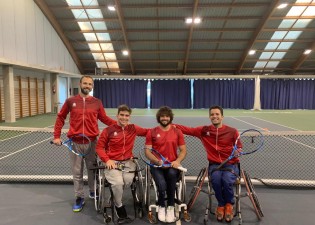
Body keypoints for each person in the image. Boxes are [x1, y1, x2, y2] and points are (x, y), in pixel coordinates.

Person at [52, 75, 116, 212]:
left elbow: (104, 118)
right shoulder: (70, 101)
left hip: (92, 142)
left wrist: (119, 125)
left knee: (92, 169)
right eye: (85, 83)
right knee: (77, 172)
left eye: (90, 84)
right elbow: (60, 117)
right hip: (75, 143)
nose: (87, 86)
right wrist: (56, 136)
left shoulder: (97, 102)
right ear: (80, 84)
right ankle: (79, 196)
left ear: (92, 86)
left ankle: (93, 191)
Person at [174, 105, 241, 222]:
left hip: (231, 164)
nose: (214, 116)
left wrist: (238, 151)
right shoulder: (204, 130)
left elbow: (239, 147)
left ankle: (229, 205)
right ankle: (221, 205)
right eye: (212, 114)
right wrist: (171, 125)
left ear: (222, 117)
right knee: (215, 180)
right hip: (215, 165)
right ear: (209, 117)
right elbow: (187, 129)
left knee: (226, 180)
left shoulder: (232, 131)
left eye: (217, 114)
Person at [96, 104, 148, 223]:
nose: (124, 118)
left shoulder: (133, 128)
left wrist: (166, 129)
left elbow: (148, 132)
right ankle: (118, 205)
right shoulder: (108, 130)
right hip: (112, 162)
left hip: (128, 162)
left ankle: (115, 194)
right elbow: (99, 148)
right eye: (122, 115)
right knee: (118, 183)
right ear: (117, 115)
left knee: (128, 181)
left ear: (129, 117)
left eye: (127, 116)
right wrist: (107, 160)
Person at [145, 106, 187, 223]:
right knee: (162, 185)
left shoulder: (177, 132)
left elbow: (183, 150)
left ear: (170, 118)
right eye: (162, 116)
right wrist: (156, 161)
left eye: (167, 116)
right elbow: (147, 151)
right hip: (157, 166)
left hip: (172, 165)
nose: (164, 118)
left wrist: (177, 161)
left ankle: (171, 207)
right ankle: (162, 206)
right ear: (159, 118)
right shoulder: (152, 132)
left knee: (172, 175)